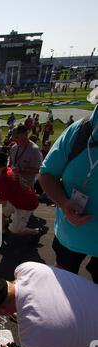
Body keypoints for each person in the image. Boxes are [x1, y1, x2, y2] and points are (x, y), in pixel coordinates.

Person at [38, 98, 98, 282]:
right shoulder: (79, 131)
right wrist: (64, 202)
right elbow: (47, 174)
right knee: (63, 286)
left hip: (71, 234)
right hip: (69, 235)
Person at [0, 152, 43, 237]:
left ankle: (37, 232)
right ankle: (2, 231)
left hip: (26, 204)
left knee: (15, 231)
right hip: (21, 199)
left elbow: (2, 203)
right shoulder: (8, 170)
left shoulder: (4, 179)